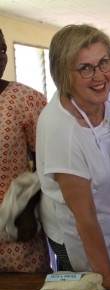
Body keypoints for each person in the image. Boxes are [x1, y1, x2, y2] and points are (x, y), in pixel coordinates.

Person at [36, 24, 110, 290]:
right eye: (85, 68)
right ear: (63, 74)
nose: (99, 76)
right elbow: (84, 215)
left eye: (103, 63)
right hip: (79, 233)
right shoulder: (62, 130)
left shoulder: (108, 89)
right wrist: (106, 276)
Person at [0, 28, 51, 273]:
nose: (0, 56)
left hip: (15, 221)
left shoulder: (26, 99)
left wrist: (30, 206)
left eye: (2, 49)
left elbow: (47, 161)